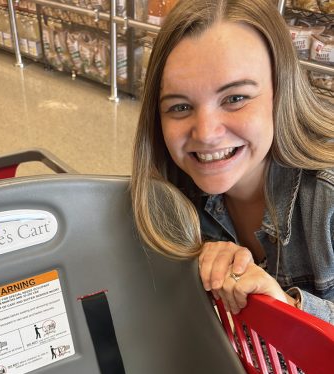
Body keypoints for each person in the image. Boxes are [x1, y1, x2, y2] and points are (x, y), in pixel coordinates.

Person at [132, 0, 334, 323]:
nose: (207, 133)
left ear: (281, 93)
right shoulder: (166, 198)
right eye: (180, 107)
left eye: (235, 98)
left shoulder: (326, 197)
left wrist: (289, 310)